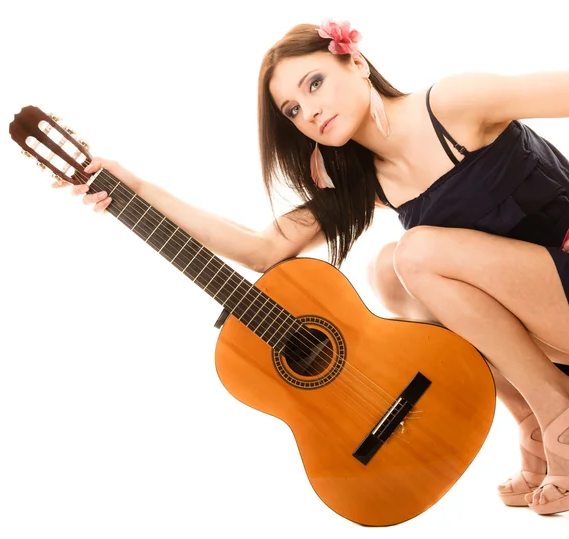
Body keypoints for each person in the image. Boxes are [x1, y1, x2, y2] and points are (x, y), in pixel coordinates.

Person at [53, 19, 569, 515]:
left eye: (316, 83)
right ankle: (531, 418)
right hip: (547, 322)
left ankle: (559, 414)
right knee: (388, 270)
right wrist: (137, 190)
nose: (311, 112)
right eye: (294, 109)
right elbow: (260, 250)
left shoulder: (454, 103)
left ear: (357, 62)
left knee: (415, 254)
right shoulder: (367, 182)